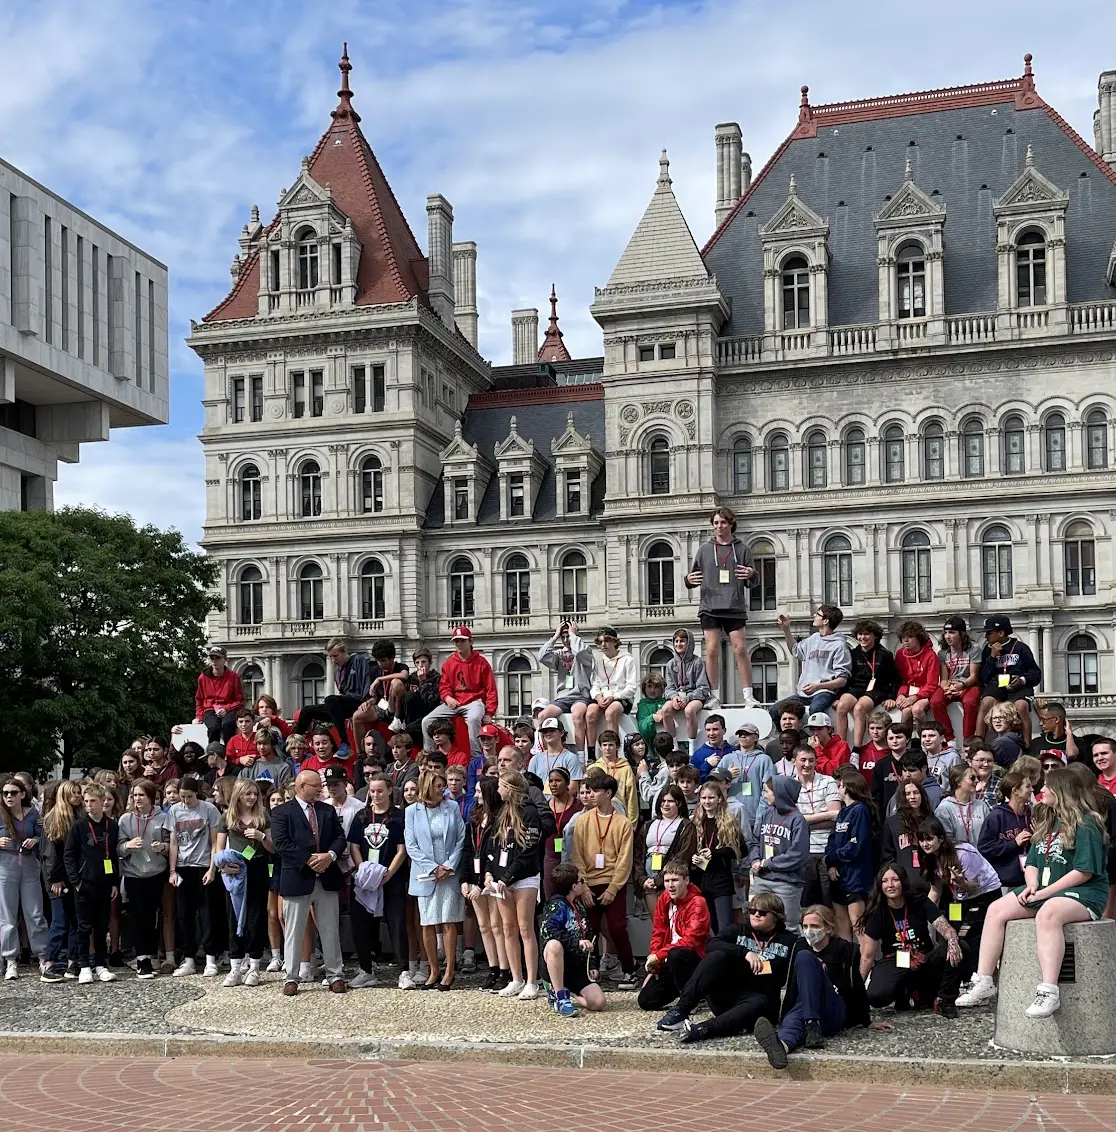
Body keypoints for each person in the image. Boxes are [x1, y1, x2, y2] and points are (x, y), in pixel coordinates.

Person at [958, 766, 1109, 1017]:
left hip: (1084, 892)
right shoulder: (1047, 820)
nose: (1040, 790)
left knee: (1048, 913)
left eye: (1047, 787)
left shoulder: (1087, 822)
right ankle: (984, 980)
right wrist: (1031, 885)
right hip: (1046, 890)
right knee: (996, 909)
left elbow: (1083, 872)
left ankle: (1049, 990)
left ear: (1061, 790)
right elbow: (1032, 862)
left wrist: (1045, 893)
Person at [657, 891, 797, 1041]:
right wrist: (744, 953)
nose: (756, 915)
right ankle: (682, 1008)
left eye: (762, 912)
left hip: (760, 998)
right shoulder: (738, 930)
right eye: (752, 911)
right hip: (729, 993)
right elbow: (711, 945)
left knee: (759, 1002)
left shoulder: (789, 940)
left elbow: (781, 973)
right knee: (717, 956)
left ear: (775, 917)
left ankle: (702, 1030)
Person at [754, 904, 871, 1068]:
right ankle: (782, 1046)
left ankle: (810, 1024)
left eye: (815, 926)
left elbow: (856, 983)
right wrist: (785, 1015)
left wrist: (866, 1020)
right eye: (805, 926)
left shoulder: (845, 948)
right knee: (799, 1011)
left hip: (833, 1008)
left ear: (829, 928)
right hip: (807, 1006)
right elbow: (793, 984)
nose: (809, 930)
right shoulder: (799, 946)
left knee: (805, 958)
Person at [272, 769, 348, 995]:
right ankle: (291, 977)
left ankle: (335, 975)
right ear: (302, 786)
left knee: (330, 928)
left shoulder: (327, 810)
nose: (320, 789)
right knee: (294, 930)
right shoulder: (281, 812)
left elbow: (339, 837)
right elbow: (281, 844)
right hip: (298, 877)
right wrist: (308, 860)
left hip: (326, 878)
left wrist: (330, 856)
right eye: (316, 786)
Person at [858, 863, 967, 1017]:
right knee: (876, 996)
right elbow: (867, 956)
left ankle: (944, 1000)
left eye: (895, 880)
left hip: (923, 957)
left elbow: (944, 926)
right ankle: (904, 991)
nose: (890, 885)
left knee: (960, 946)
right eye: (885, 881)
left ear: (903, 881)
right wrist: (855, 992)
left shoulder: (919, 901)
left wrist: (952, 941)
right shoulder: (877, 912)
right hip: (895, 959)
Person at [684, 506, 760, 708]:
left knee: (741, 649)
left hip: (734, 606)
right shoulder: (704, 549)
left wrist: (751, 574)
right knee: (711, 651)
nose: (719, 526)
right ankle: (713, 696)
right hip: (710, 606)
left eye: (723, 522)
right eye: (716, 523)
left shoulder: (742, 549)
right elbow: (692, 578)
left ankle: (748, 696)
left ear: (731, 524)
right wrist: (688, 579)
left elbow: (753, 580)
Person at [571, 772, 638, 990]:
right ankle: (589, 971)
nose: (590, 794)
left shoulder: (623, 823)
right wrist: (584, 886)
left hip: (612, 883)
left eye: (595, 791)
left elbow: (624, 859)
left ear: (608, 794)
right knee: (588, 929)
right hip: (588, 883)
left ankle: (629, 970)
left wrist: (613, 888)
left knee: (617, 927)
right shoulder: (583, 821)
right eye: (589, 790)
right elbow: (577, 856)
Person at [403, 766, 466, 990]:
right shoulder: (412, 811)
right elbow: (411, 845)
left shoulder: (452, 807)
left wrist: (447, 866)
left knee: (449, 920)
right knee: (428, 922)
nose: (444, 789)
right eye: (439, 786)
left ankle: (449, 971)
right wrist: (432, 868)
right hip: (425, 873)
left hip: (449, 872)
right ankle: (433, 969)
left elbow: (461, 838)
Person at [483, 770, 544, 999]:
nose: (497, 790)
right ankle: (516, 978)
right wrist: (489, 874)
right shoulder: (501, 814)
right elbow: (491, 848)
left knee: (525, 928)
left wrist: (506, 878)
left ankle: (532, 980)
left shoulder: (530, 814)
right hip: (500, 880)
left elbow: (528, 852)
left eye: (501, 785)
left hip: (524, 877)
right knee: (508, 928)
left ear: (511, 788)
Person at [916, 817, 1000, 973]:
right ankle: (963, 976)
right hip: (959, 898)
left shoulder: (963, 852)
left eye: (929, 839)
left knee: (971, 936)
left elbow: (974, 887)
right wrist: (922, 913)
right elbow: (936, 890)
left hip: (984, 895)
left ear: (941, 838)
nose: (924, 844)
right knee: (955, 933)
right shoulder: (930, 857)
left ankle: (980, 976)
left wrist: (961, 882)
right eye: (921, 840)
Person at [348, 773, 409, 987]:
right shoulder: (361, 816)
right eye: (372, 791)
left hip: (391, 878)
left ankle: (404, 971)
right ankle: (366, 969)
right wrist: (362, 869)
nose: (375, 795)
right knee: (361, 923)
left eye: (380, 791)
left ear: (390, 790)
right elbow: (354, 845)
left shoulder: (399, 817)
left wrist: (387, 874)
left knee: (397, 923)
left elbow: (402, 850)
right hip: (365, 880)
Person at [215, 779, 273, 987]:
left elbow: (273, 848)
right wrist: (221, 867)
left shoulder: (263, 816)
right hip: (235, 869)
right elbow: (219, 848)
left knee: (256, 917)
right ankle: (235, 967)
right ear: (238, 795)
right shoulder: (227, 817)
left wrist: (261, 836)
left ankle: (255, 966)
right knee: (234, 917)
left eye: (255, 794)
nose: (252, 798)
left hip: (257, 867)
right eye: (247, 794)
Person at [62, 782, 120, 985]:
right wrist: (75, 881)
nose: (89, 805)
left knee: (102, 924)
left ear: (103, 801)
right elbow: (69, 854)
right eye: (86, 801)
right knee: (83, 926)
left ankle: (101, 965)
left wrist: (114, 882)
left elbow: (112, 855)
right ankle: (84, 966)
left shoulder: (111, 826)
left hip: (104, 882)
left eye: (93, 801)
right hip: (84, 883)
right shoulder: (78, 825)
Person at [637, 860, 710, 1012]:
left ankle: (692, 998)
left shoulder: (698, 902)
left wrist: (658, 956)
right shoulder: (664, 898)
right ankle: (682, 990)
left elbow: (690, 941)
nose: (670, 885)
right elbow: (658, 930)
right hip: (669, 959)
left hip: (693, 958)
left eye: (675, 880)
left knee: (677, 954)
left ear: (686, 881)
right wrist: (654, 958)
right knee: (646, 1001)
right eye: (667, 881)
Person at [116, 779, 171, 980]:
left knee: (153, 917)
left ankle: (152, 955)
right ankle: (141, 959)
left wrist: (163, 848)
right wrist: (127, 846)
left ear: (150, 797)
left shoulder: (163, 817)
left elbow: (169, 843)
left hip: (156, 873)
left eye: (141, 795)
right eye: (135, 795)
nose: (138, 799)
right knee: (138, 916)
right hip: (133, 874)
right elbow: (118, 848)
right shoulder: (125, 820)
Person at [168, 775, 222, 977]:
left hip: (202, 865)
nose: (185, 801)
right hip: (183, 866)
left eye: (189, 796)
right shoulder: (174, 811)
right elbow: (173, 842)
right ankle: (188, 958)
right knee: (184, 914)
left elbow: (215, 841)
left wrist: (212, 868)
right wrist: (172, 871)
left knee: (207, 913)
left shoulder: (209, 810)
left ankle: (210, 958)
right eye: (182, 796)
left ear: (196, 794)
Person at [539, 863, 606, 1017]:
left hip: (577, 967)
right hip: (557, 964)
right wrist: (576, 942)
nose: (584, 883)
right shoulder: (555, 906)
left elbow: (589, 935)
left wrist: (592, 964)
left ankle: (567, 992)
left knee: (598, 1002)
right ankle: (560, 997)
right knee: (554, 945)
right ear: (574, 886)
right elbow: (548, 931)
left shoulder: (579, 906)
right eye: (582, 881)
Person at [422, 626, 498, 755]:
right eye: (456, 641)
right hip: (454, 702)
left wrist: (489, 713)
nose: (459, 644)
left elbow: (491, 689)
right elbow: (444, 686)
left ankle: (476, 756)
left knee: (474, 719)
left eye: (462, 640)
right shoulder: (449, 663)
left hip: (474, 701)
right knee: (427, 721)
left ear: (470, 642)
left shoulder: (482, 663)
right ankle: (430, 755)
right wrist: (447, 697)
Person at [0, 774, 48, 980]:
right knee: (8, 916)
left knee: (35, 913)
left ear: (22, 794)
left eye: (13, 793)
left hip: (29, 865)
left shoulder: (33, 812)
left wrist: (35, 840)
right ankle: (11, 960)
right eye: (5, 793)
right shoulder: (0, 814)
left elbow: (43, 835)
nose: (9, 796)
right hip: (5, 866)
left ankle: (43, 956)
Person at [749, 775, 809, 932]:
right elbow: (755, 841)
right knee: (760, 924)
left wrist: (768, 863)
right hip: (762, 878)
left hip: (787, 883)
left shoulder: (797, 820)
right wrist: (755, 859)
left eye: (768, 791)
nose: (765, 795)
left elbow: (798, 854)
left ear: (779, 793)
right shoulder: (766, 814)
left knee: (788, 926)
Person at [774, 605, 852, 725]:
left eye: (818, 614)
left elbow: (842, 680)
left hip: (824, 692)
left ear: (825, 621)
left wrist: (818, 686)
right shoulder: (813, 639)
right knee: (774, 710)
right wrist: (786, 630)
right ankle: (790, 739)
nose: (814, 615)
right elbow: (795, 650)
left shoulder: (839, 645)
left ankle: (819, 741)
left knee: (815, 710)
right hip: (802, 693)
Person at [39, 780, 84, 982]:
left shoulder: (80, 817)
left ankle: (73, 961)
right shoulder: (53, 820)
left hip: (75, 877)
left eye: (78, 792)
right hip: (57, 879)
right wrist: (55, 880)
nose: (77, 796)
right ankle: (50, 962)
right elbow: (50, 855)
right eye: (73, 793)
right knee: (59, 922)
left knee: (76, 921)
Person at [825, 767, 877, 941]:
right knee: (841, 922)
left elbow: (856, 845)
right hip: (839, 875)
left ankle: (865, 962)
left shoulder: (860, 810)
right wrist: (831, 863)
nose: (837, 789)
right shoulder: (842, 811)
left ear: (847, 787)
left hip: (855, 876)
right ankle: (846, 963)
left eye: (839, 785)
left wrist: (834, 857)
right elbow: (832, 839)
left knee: (857, 923)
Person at [976, 614, 1042, 747]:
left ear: (1000, 633)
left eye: (989, 633)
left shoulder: (1021, 648)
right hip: (997, 683)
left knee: (1021, 706)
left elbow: (1036, 673)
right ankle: (978, 743)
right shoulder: (987, 650)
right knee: (986, 703)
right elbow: (983, 677)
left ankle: (1027, 745)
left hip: (1019, 686)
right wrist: (992, 658)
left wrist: (1022, 680)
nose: (986, 637)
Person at [834, 620, 899, 750]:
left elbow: (895, 678)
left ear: (875, 636)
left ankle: (856, 749)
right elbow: (846, 677)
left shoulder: (885, 655)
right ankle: (840, 746)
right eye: (860, 634)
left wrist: (892, 697)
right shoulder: (852, 654)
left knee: (859, 708)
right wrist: (839, 696)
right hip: (856, 688)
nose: (862, 637)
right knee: (841, 706)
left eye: (867, 634)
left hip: (877, 689)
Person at [634, 785, 698, 916]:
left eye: (670, 801)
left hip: (671, 880)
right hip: (648, 880)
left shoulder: (686, 826)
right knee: (657, 925)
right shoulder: (648, 825)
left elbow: (683, 856)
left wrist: (660, 880)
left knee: (672, 923)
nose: (665, 805)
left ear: (679, 803)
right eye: (663, 801)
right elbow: (637, 854)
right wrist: (642, 879)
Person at [790, 744, 840, 908]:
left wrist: (804, 821)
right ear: (794, 762)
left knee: (829, 902)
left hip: (827, 850)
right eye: (803, 760)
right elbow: (793, 823)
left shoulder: (828, 781)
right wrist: (825, 815)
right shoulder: (789, 785)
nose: (807, 764)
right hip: (804, 851)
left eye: (811, 760)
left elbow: (836, 816)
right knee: (806, 903)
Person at [294, 637, 372, 737]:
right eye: (330, 657)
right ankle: (294, 740)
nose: (333, 660)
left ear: (344, 652)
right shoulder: (337, 673)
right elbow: (342, 693)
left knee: (330, 699)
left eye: (335, 656)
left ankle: (344, 741)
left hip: (358, 701)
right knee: (307, 710)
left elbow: (366, 683)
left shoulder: (358, 660)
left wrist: (360, 708)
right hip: (344, 706)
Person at [690, 782, 742, 933]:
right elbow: (689, 847)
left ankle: (726, 955)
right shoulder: (696, 821)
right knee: (708, 925)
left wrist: (715, 853)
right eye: (704, 798)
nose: (707, 801)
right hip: (700, 879)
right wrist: (693, 856)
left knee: (724, 927)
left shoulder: (728, 821)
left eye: (711, 797)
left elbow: (740, 850)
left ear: (719, 799)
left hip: (720, 880)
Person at [537, 620, 594, 751]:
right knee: (542, 716)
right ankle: (546, 753)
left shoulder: (585, 649)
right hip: (563, 697)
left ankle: (581, 755)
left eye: (567, 635)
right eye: (563, 637)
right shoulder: (559, 654)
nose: (566, 639)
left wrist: (574, 635)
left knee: (577, 715)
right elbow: (542, 656)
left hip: (580, 695)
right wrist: (555, 636)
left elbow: (579, 653)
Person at [976, 769, 1033, 888]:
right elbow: (985, 849)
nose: (1032, 790)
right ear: (1015, 790)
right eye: (1028, 786)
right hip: (1004, 882)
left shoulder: (1030, 813)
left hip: (1028, 879)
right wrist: (1013, 843)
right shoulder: (996, 816)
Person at [585, 627, 638, 749]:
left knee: (610, 713)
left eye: (607, 641)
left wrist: (614, 697)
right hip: (603, 697)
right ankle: (591, 753)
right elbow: (595, 684)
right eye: (600, 642)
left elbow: (631, 688)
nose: (603, 645)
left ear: (615, 642)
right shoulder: (598, 660)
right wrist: (598, 698)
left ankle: (613, 749)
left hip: (621, 697)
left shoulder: (627, 660)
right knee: (590, 714)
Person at [880, 780, 935, 895]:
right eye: (908, 794)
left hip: (931, 886)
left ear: (922, 795)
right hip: (905, 888)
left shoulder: (932, 820)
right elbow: (887, 857)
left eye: (916, 792)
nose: (912, 797)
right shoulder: (892, 823)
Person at [894, 620, 947, 737]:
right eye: (903, 638)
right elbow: (901, 680)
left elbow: (932, 684)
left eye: (910, 637)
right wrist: (901, 694)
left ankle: (924, 741)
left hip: (925, 692)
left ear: (918, 638)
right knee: (906, 712)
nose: (905, 641)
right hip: (909, 691)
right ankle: (906, 744)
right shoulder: (900, 654)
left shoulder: (931, 656)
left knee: (917, 710)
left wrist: (916, 697)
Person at [660, 628, 712, 742]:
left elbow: (703, 687)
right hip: (677, 696)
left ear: (689, 643)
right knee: (665, 710)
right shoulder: (670, 664)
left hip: (694, 697)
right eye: (676, 641)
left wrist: (688, 698)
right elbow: (669, 687)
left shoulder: (697, 662)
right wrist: (674, 697)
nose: (679, 644)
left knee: (689, 710)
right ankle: (673, 745)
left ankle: (692, 745)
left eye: (682, 641)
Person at [938, 616, 981, 742]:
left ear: (961, 634)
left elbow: (974, 676)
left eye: (952, 632)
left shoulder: (974, 648)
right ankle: (949, 738)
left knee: (969, 702)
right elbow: (944, 679)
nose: (947, 636)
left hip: (968, 684)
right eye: (945, 633)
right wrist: (947, 688)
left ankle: (968, 740)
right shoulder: (943, 653)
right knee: (935, 702)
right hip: (951, 685)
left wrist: (961, 686)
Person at [543, 768, 581, 899]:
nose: (553, 784)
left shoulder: (578, 806)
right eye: (551, 781)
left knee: (572, 897)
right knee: (551, 897)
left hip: (572, 856)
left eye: (558, 780)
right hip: (550, 856)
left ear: (567, 783)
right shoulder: (544, 806)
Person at [194, 646, 245, 744]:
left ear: (225, 660)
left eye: (218, 658)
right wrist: (198, 716)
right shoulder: (202, 677)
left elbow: (240, 701)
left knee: (228, 724)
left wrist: (226, 708)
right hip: (210, 709)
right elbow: (199, 699)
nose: (214, 661)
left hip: (229, 709)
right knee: (213, 727)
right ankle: (213, 754)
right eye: (212, 658)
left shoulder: (233, 677)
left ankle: (229, 752)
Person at [587, 730, 638, 826]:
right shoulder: (593, 768)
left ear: (617, 747)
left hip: (620, 815)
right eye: (604, 745)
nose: (607, 748)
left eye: (611, 745)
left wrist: (632, 823)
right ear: (600, 747)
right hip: (596, 816)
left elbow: (631, 797)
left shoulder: (625, 768)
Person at [935, 763, 991, 848]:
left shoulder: (982, 806)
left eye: (977, 778)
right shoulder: (944, 808)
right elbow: (946, 840)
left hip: (980, 858)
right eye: (972, 778)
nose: (976, 781)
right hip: (956, 858)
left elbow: (989, 835)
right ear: (958, 781)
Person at [529, 718, 582, 796]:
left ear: (561, 733)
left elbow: (572, 787)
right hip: (540, 805)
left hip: (562, 804)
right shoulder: (535, 759)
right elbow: (531, 786)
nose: (548, 734)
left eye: (552, 730)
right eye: (545, 732)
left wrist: (556, 802)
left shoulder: (571, 758)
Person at [886, 750, 942, 816]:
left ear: (924, 768)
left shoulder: (937, 795)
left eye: (912, 770)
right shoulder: (898, 794)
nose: (907, 774)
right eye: (904, 770)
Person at [243, 724, 294, 790]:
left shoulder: (283, 767)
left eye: (265, 744)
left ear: (273, 745)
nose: (261, 747)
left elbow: (285, 791)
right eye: (259, 743)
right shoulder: (250, 767)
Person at [1030, 701, 1080, 767]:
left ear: (1056, 719)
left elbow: (1071, 754)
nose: (1041, 723)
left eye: (1044, 719)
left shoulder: (1077, 742)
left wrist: (1069, 732)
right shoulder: (1036, 743)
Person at [689, 714, 734, 780]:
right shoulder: (698, 754)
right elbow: (693, 781)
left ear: (724, 731)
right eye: (708, 730)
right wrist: (707, 765)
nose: (711, 733)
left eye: (715, 729)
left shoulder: (734, 751)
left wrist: (729, 774)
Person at [987, 702, 1026, 768]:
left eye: (1001, 717)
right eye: (994, 718)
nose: (997, 721)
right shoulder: (1016, 739)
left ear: (1010, 719)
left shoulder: (1000, 742)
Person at [855, 710, 891, 778]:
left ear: (887, 729)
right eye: (872, 728)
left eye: (879, 728)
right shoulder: (861, 752)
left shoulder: (894, 751)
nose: (875, 732)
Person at [637, 674, 667, 746]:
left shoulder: (667, 702)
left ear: (662, 689)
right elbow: (642, 729)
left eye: (656, 687)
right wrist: (652, 718)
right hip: (652, 746)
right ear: (644, 688)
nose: (652, 690)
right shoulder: (643, 706)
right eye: (649, 686)